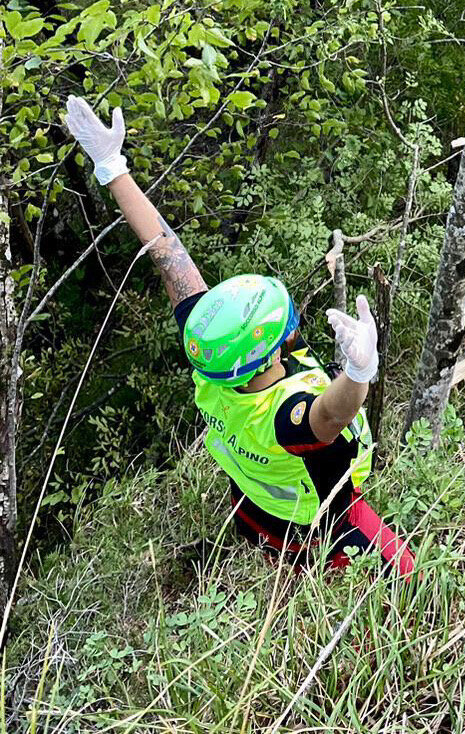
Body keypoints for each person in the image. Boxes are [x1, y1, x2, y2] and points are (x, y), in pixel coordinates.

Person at [65, 96, 415, 576]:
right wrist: (359, 370)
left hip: (254, 510)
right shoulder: (284, 417)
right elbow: (332, 414)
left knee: (278, 563)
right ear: (276, 340)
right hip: (326, 523)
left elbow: (166, 251)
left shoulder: (210, 364)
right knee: (406, 574)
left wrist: (112, 167)